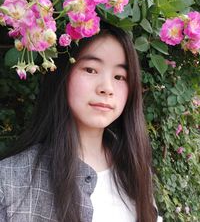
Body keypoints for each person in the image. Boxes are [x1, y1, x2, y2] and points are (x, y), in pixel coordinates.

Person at [0, 23, 161, 222]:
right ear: (62, 74)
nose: (107, 88)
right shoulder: (11, 182)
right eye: (91, 70)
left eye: (119, 76)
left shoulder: (135, 169)